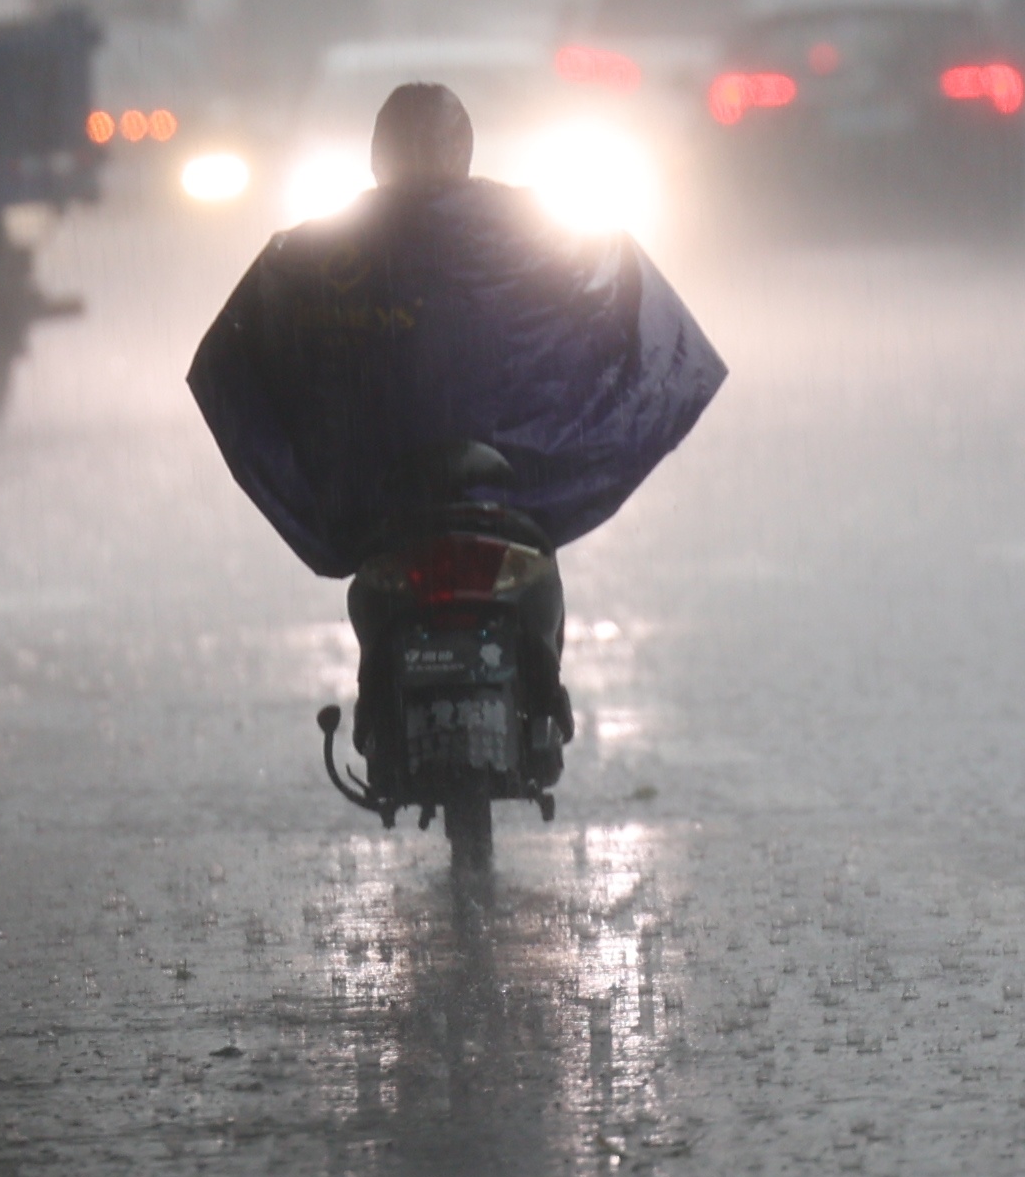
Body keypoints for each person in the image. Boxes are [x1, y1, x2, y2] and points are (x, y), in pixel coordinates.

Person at [187, 80, 728, 745]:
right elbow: (619, 307)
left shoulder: (316, 256)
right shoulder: (540, 232)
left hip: (387, 494)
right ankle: (541, 694)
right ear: (465, 154)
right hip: (506, 483)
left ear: (378, 159)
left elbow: (237, 358)